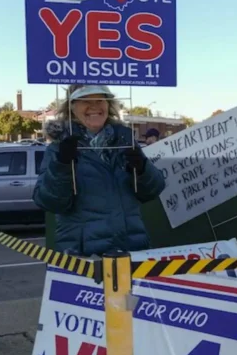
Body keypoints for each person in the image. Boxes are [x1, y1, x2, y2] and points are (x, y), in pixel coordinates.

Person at [33, 85, 166, 256]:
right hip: (83, 256)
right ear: (71, 107)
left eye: (100, 100)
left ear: (108, 105)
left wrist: (142, 169)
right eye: (85, 101)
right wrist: (62, 165)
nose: (94, 106)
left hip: (132, 251)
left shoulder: (125, 142)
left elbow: (153, 191)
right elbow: (49, 202)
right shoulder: (58, 148)